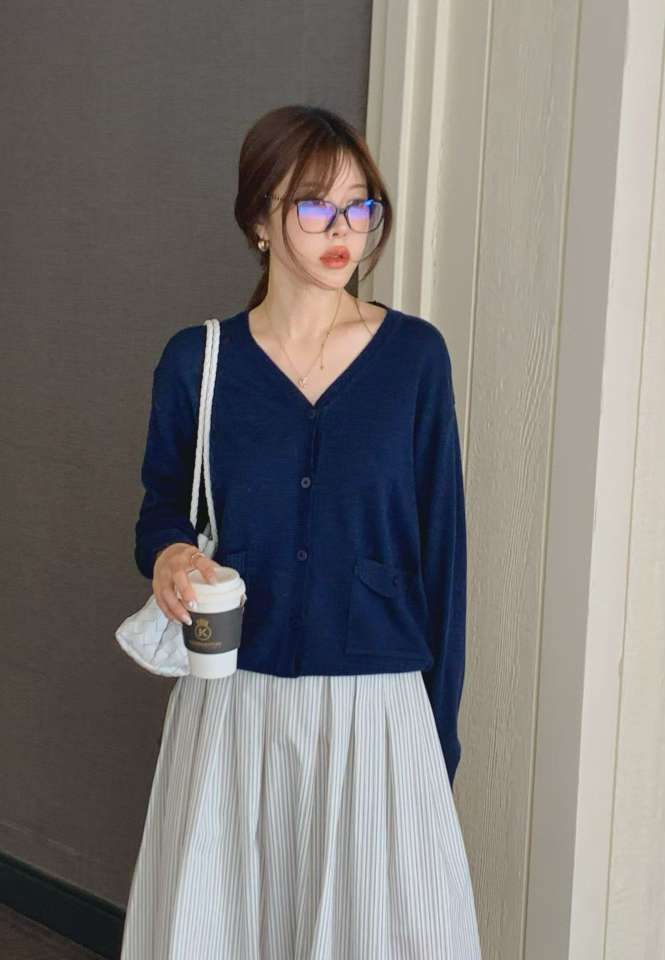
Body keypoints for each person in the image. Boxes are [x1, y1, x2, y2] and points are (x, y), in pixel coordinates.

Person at [120, 104, 482, 959]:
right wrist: (169, 552)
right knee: (227, 928)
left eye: (362, 205)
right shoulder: (199, 361)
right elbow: (162, 505)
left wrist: (437, 738)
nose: (343, 229)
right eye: (315, 205)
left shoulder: (414, 359)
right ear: (260, 216)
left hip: (376, 715)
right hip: (234, 702)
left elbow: (444, 554)